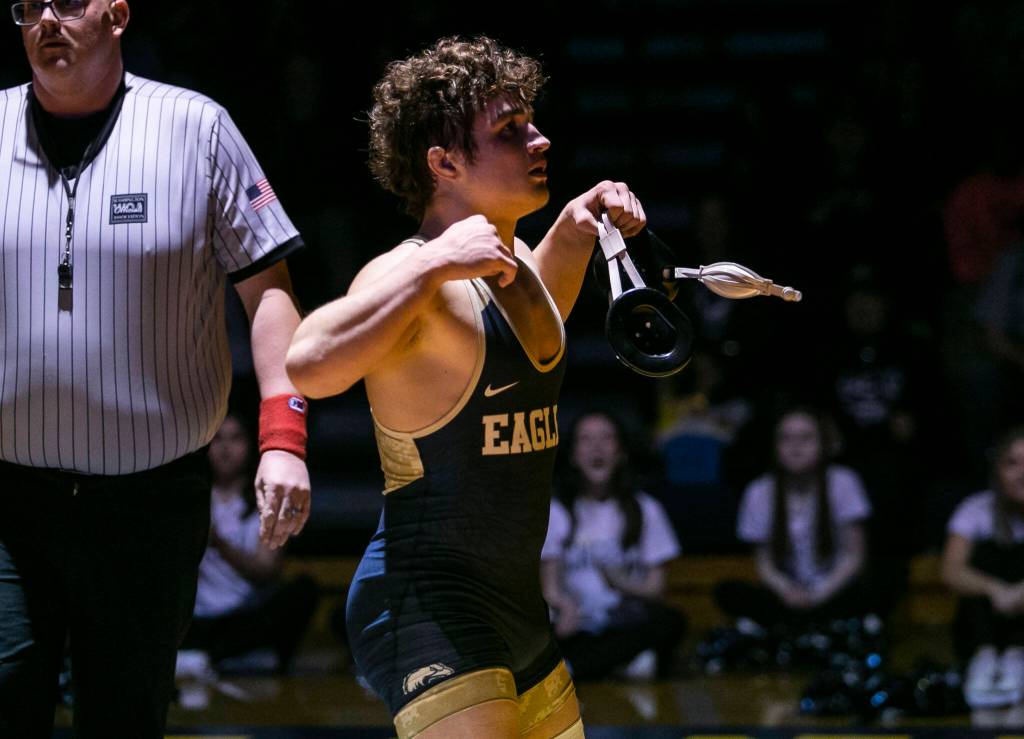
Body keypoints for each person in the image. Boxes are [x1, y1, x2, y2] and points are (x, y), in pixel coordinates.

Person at [287, 35, 646, 739]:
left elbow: (528, 335)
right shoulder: (415, 275)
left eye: (532, 121)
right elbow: (308, 361)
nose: (538, 139)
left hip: (516, 609)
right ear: (444, 163)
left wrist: (577, 224)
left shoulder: (513, 271)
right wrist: (431, 267)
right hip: (425, 605)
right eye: (510, 129)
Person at [0, 2, 311, 736]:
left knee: (125, 717)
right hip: (9, 498)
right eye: (28, 7)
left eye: (68, 3)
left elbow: (268, 293)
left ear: (116, 16)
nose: (46, 20)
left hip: (149, 503)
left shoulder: (196, 129)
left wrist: (283, 438)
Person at [540, 410, 686, 682]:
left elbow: (655, 588)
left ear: (621, 452)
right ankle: (622, 663)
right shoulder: (557, 510)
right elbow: (550, 589)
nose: (597, 447)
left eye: (606, 438)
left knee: (670, 621)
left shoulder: (646, 509)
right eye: (586, 439)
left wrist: (621, 582)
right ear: (572, 455)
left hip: (622, 621)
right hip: (576, 623)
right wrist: (567, 608)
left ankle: (579, 667)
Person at [179, 414, 318, 675]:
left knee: (302, 591)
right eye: (218, 439)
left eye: (235, 438)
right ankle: (220, 657)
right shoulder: (191, 497)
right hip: (196, 618)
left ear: (250, 445)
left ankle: (214, 658)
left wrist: (219, 544)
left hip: (243, 615)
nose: (226, 449)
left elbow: (266, 572)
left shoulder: (266, 498)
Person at [714, 407, 873, 630]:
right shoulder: (759, 491)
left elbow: (853, 557)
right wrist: (787, 590)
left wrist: (818, 595)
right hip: (785, 595)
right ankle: (804, 625)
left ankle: (791, 626)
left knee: (881, 583)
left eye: (806, 438)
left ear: (824, 443)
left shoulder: (844, 482)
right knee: (728, 591)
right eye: (786, 438)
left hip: (833, 591)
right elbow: (764, 561)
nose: (795, 447)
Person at [942, 427, 1024, 709]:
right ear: (997, 470)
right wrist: (997, 589)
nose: (1021, 473)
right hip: (986, 621)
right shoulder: (976, 509)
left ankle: (1017, 657)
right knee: (988, 556)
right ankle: (985, 659)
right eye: (1012, 463)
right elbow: (951, 570)